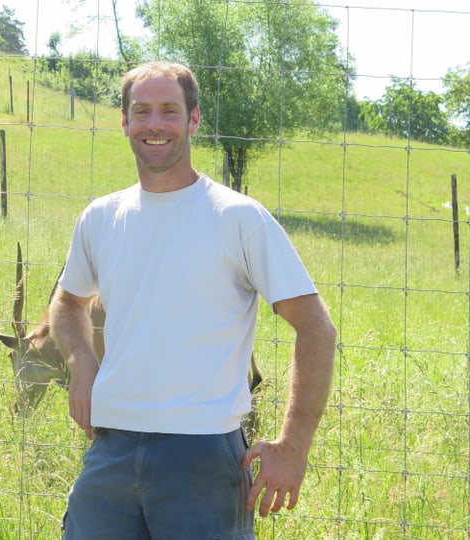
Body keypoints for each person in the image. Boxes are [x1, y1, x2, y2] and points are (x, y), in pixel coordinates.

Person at [49, 61, 336, 539]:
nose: (154, 125)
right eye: (141, 112)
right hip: (110, 448)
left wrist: (294, 443)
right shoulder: (101, 217)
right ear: (124, 122)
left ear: (194, 120)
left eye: (169, 111)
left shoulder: (239, 217)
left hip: (202, 454)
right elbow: (67, 302)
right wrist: (81, 361)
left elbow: (316, 328)